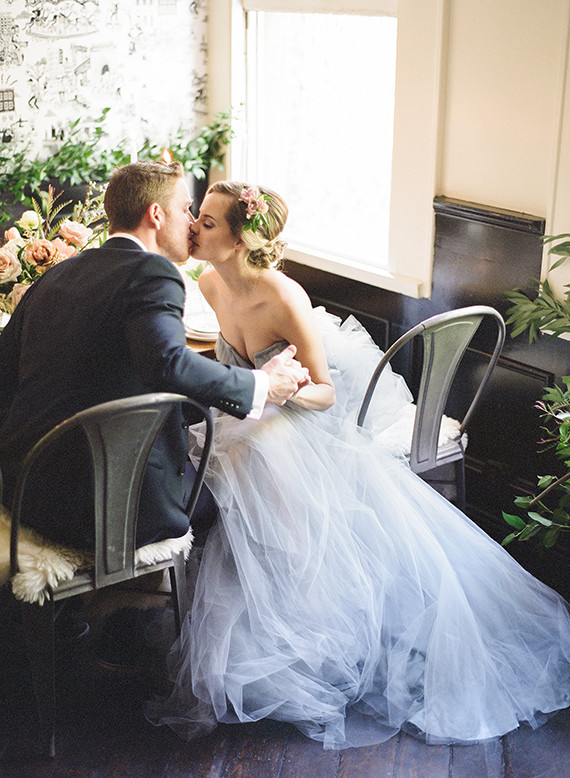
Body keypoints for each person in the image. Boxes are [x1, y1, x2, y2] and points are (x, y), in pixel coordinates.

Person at [145, 181, 570, 749]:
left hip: (297, 425)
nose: (194, 228)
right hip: (247, 420)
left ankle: (313, 648)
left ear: (244, 239)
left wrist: (282, 390)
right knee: (215, 465)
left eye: (210, 222)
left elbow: (325, 394)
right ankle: (255, 634)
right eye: (196, 217)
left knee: (255, 471)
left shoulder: (284, 297)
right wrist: (253, 395)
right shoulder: (208, 281)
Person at [0, 163, 308, 550]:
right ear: (156, 215)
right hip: (104, 510)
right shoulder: (153, 271)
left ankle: (131, 595)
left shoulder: (60, 273)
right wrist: (262, 383)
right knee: (238, 490)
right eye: (186, 209)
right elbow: (168, 363)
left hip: (25, 489)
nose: (192, 222)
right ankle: (148, 596)